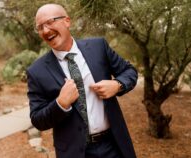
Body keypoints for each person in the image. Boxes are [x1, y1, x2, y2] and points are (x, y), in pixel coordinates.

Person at [27, 3, 137, 158]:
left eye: (50, 22)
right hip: (74, 153)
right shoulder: (36, 71)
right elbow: (37, 119)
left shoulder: (98, 47)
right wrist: (60, 104)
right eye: (40, 27)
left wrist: (117, 85)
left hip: (113, 145)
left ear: (67, 21)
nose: (45, 30)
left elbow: (129, 71)